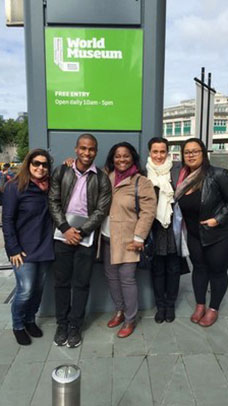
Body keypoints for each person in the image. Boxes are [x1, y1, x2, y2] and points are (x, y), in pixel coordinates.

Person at [49, 133, 112, 348]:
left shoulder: (102, 178)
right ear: (76, 149)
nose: (87, 153)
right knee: (61, 283)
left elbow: (102, 210)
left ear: (96, 151)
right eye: (83, 148)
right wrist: (66, 229)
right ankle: (62, 324)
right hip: (61, 236)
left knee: (82, 284)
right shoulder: (62, 171)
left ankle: (75, 326)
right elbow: (53, 201)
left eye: (91, 149)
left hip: (86, 238)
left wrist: (81, 232)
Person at [101, 142, 156, 338]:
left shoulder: (141, 182)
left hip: (129, 241)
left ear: (132, 158)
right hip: (106, 238)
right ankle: (119, 310)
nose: (121, 159)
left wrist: (139, 237)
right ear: (112, 159)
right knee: (111, 278)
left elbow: (148, 212)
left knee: (127, 280)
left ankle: (130, 319)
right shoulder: (106, 177)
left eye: (125, 156)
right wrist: (69, 163)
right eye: (117, 156)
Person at [2, 149, 54, 345]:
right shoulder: (14, 187)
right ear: (28, 165)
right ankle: (18, 325)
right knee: (26, 290)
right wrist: (13, 249)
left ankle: (30, 320)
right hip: (23, 250)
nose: (40, 167)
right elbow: (7, 221)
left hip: (45, 246)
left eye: (44, 164)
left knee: (38, 289)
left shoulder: (48, 188)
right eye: (36, 164)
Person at [175, 137, 228, 327]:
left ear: (203, 153)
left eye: (195, 151)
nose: (190, 155)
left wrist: (218, 219)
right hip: (194, 234)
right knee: (199, 269)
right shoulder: (180, 176)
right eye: (187, 152)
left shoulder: (218, 174)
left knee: (218, 271)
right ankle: (200, 305)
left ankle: (213, 308)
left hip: (217, 235)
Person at [146, 137, 181, 323]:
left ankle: (170, 305)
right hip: (154, 227)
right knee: (157, 268)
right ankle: (160, 306)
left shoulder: (177, 169)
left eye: (162, 151)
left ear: (167, 152)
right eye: (155, 151)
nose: (159, 156)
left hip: (173, 225)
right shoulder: (144, 172)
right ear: (149, 152)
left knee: (174, 268)